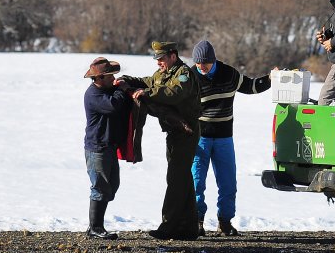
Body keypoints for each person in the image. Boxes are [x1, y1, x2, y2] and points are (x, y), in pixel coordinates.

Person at [120, 41, 202, 240]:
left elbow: (174, 93)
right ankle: (190, 228)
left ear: (173, 56)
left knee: (175, 178)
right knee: (183, 178)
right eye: (157, 60)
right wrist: (127, 80)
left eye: (162, 59)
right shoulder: (163, 74)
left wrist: (149, 94)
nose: (159, 63)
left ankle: (169, 226)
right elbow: (149, 81)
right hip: (175, 133)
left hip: (186, 133)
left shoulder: (184, 74)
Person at [190, 40, 272, 237]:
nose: (201, 67)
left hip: (224, 137)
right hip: (200, 137)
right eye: (198, 63)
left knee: (228, 183)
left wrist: (271, 78)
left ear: (213, 60)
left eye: (205, 64)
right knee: (196, 181)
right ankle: (197, 221)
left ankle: (225, 222)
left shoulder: (229, 74)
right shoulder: (191, 76)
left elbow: (251, 86)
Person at [83, 57, 131, 239]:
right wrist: (121, 89)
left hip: (107, 146)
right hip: (97, 148)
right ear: (100, 78)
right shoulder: (93, 95)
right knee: (100, 187)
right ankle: (95, 227)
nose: (113, 78)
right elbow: (114, 106)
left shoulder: (105, 90)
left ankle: (95, 226)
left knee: (112, 185)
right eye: (110, 75)